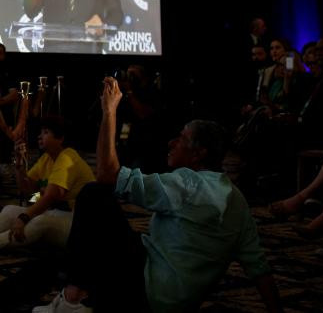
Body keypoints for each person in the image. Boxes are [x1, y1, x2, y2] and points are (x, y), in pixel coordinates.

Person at [33, 77, 282, 313]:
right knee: (121, 237)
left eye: (182, 138)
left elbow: (108, 175)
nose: (171, 142)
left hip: (147, 291)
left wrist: (109, 111)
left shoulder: (188, 184)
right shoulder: (237, 200)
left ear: (199, 154)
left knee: (94, 195)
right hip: (178, 304)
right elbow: (259, 268)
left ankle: (73, 299)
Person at [0, 116, 94, 250]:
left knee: (41, 221)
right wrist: (19, 164)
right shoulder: (47, 158)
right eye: (41, 132)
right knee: (10, 210)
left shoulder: (68, 157)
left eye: (46, 132)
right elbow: (26, 188)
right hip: (58, 212)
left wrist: (24, 217)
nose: (40, 136)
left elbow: (51, 196)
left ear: (60, 138)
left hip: (81, 224)